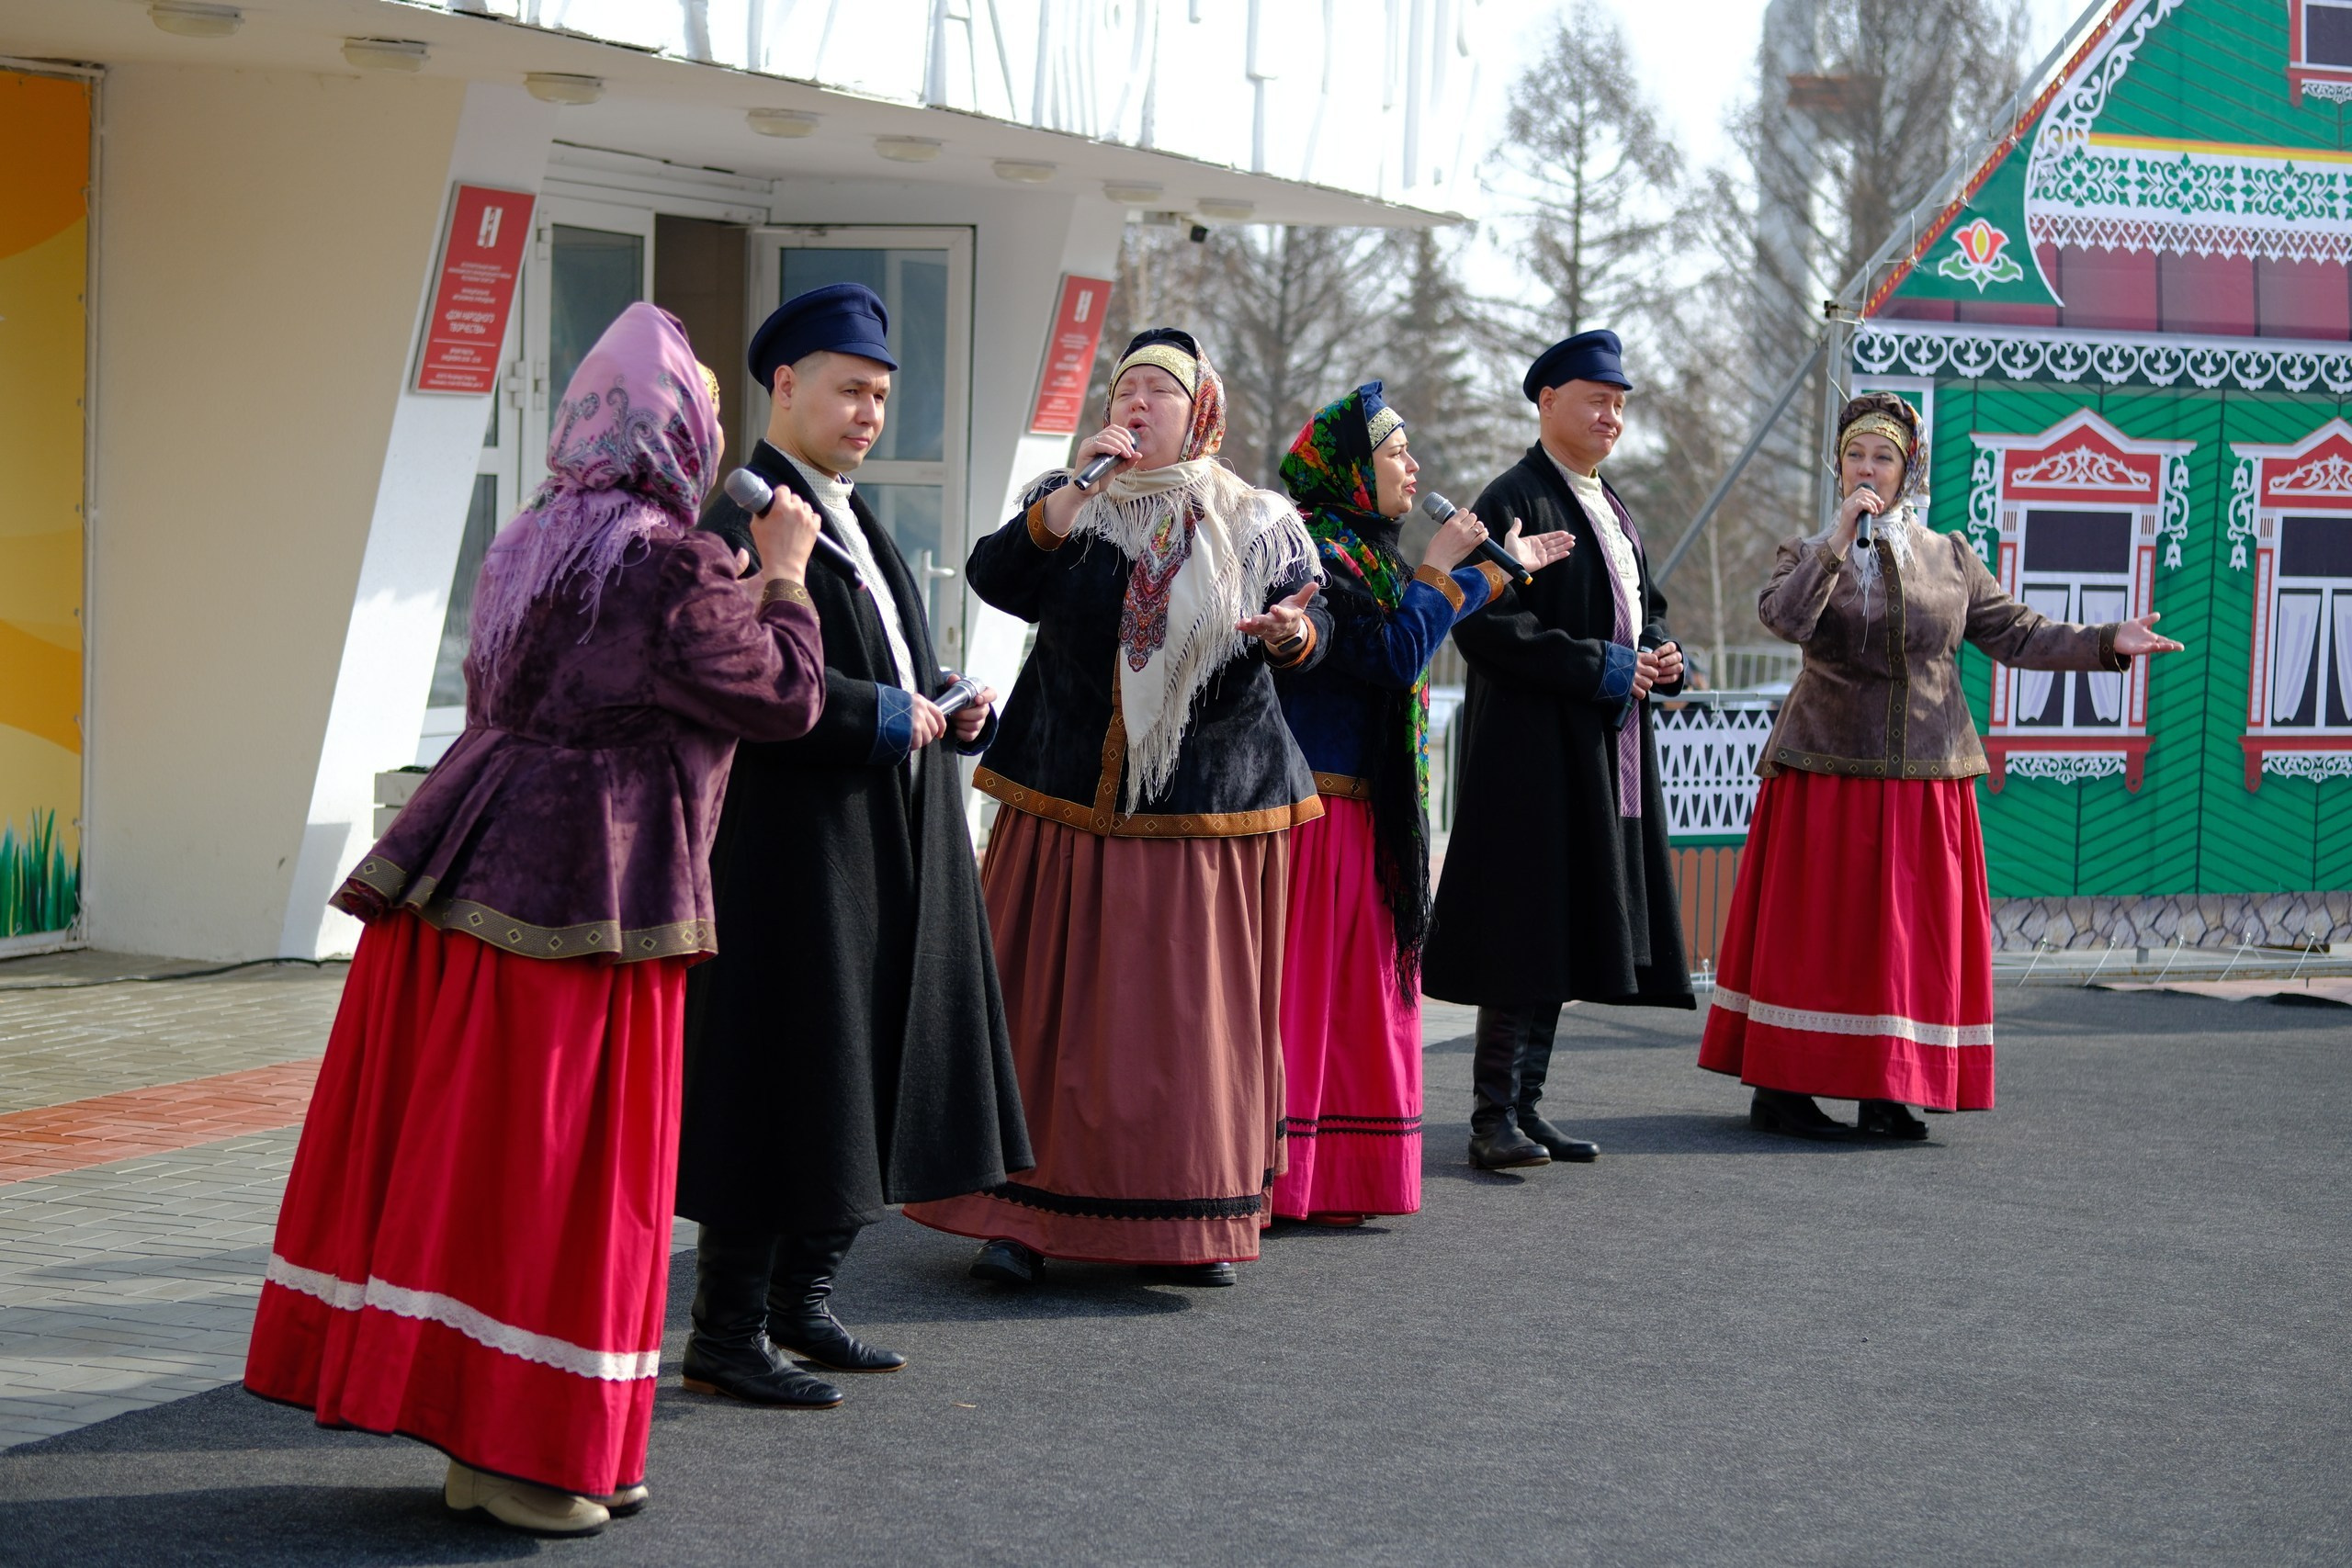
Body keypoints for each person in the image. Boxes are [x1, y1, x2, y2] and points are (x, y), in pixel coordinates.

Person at [245, 303, 827, 1536]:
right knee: (563, 1181)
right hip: (594, 899)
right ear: (681, 430)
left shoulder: (526, 536)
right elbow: (781, 696)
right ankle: (532, 1453)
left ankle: (484, 1437)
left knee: (480, 1169)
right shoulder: (672, 558)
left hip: (466, 875)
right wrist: (782, 568)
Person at [900, 328, 1329, 1288]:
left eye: (1158, 393)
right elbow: (996, 578)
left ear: (1201, 414)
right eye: (1124, 388)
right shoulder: (1071, 506)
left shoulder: (1257, 520)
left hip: (1202, 811)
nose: (1135, 405)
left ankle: (1189, 1222)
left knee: (1183, 1028)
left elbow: (1313, 621)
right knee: (1042, 1015)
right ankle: (1015, 1218)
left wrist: (1296, 633)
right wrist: (1077, 488)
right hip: (1063, 802)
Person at [679, 282, 1030, 1409]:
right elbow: (749, 685)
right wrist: (881, 715)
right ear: (783, 386)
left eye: (882, 394)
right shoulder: (743, 516)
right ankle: (727, 1334)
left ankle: (804, 1305)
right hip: (791, 853)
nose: (870, 413)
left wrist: (943, 698)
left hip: (880, 841)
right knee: (784, 1087)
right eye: (849, 390)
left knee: (852, 1075)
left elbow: (872, 658)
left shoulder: (850, 510)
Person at [1698, 392, 2184, 1137]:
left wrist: (2105, 641)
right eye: (1856, 455)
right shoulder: (1806, 552)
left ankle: (1887, 1090)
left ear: (1907, 469)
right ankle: (1782, 1087)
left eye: (1883, 457)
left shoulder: (1949, 555)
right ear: (1839, 467)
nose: (1868, 468)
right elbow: (1786, 618)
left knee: (1901, 945)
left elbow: (2016, 632)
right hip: (1827, 773)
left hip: (1927, 779)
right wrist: (1837, 541)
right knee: (1819, 937)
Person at [1269, 382, 1573, 1224]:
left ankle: (1340, 1176)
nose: (1414, 466)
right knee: (1311, 998)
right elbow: (1397, 650)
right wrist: (1446, 566)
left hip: (1365, 813)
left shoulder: (1367, 551)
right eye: (1397, 452)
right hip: (1317, 813)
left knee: (1356, 996)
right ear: (1353, 471)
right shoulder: (1316, 552)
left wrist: (1499, 573)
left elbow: (1415, 615)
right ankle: (1287, 1175)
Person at [1421, 329, 1695, 1170]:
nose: (1611, 417)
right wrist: (1608, 666)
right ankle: (1490, 1117)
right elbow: (1487, 624)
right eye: (1596, 400)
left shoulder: (1610, 503)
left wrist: (1665, 653)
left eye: (1620, 404)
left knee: (1568, 925)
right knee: (1527, 927)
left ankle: (1527, 1108)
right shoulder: (1515, 494)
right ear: (1547, 401)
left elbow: (1643, 606)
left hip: (1598, 749)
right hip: (1533, 757)